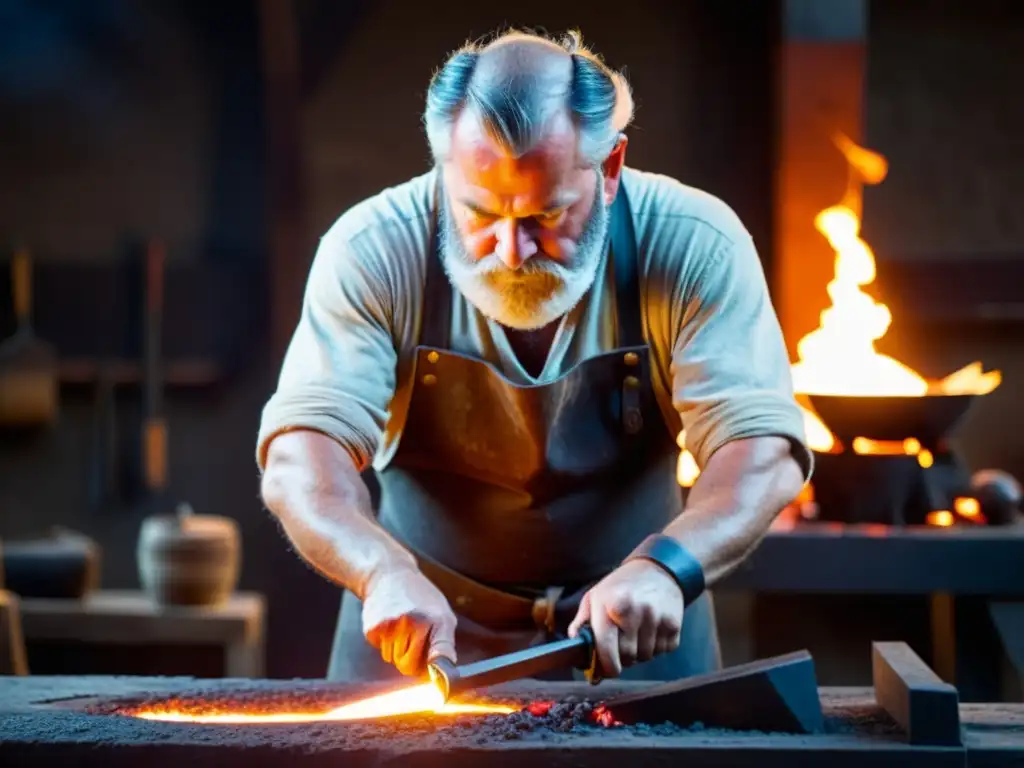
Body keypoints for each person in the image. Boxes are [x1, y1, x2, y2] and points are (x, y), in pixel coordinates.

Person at [257, 29, 811, 684]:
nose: (511, 252)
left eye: (547, 216)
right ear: (443, 169)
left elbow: (761, 452)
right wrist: (380, 570)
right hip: (417, 642)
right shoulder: (373, 251)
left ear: (608, 170)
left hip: (632, 638)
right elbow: (302, 457)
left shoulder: (693, 242)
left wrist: (668, 567)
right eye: (479, 214)